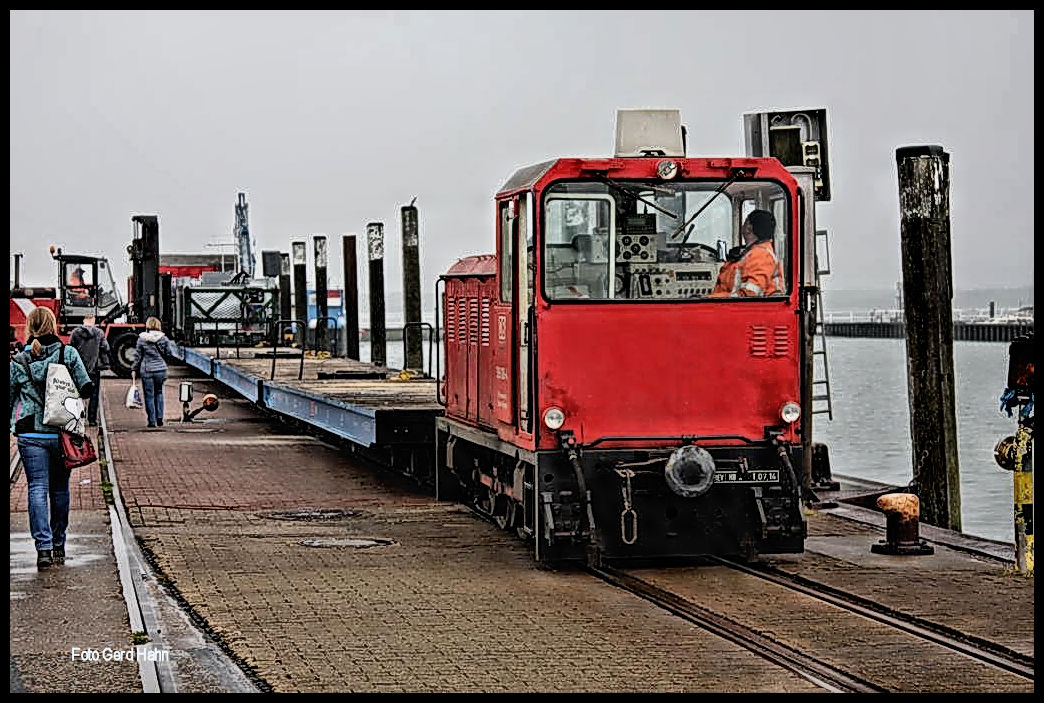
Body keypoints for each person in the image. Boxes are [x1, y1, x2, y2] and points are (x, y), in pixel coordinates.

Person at [9, 306, 93, 568]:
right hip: (61, 432)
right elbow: (86, 386)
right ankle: (59, 543)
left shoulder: (17, 361)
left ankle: (42, 548)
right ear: (53, 325)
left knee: (36, 488)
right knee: (59, 488)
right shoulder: (67, 353)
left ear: (30, 327)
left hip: (29, 432)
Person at [709, 209, 784, 298]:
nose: (742, 226)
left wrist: (711, 298)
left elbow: (750, 295)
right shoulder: (749, 253)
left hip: (744, 309)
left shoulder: (761, 255)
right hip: (728, 307)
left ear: (749, 228)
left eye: (745, 222)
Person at [69, 314, 110, 427]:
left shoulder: (75, 333)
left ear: (84, 321)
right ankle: (92, 420)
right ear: (93, 321)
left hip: (78, 369)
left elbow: (70, 348)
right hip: (94, 369)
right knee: (94, 394)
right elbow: (106, 348)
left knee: (77, 393)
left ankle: (78, 417)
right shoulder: (99, 333)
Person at [131, 316, 172, 428]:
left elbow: (137, 356)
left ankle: (151, 421)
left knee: (149, 396)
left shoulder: (142, 339)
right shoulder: (164, 339)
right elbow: (169, 353)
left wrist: (134, 369)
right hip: (160, 370)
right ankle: (160, 418)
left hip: (147, 370)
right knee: (159, 393)